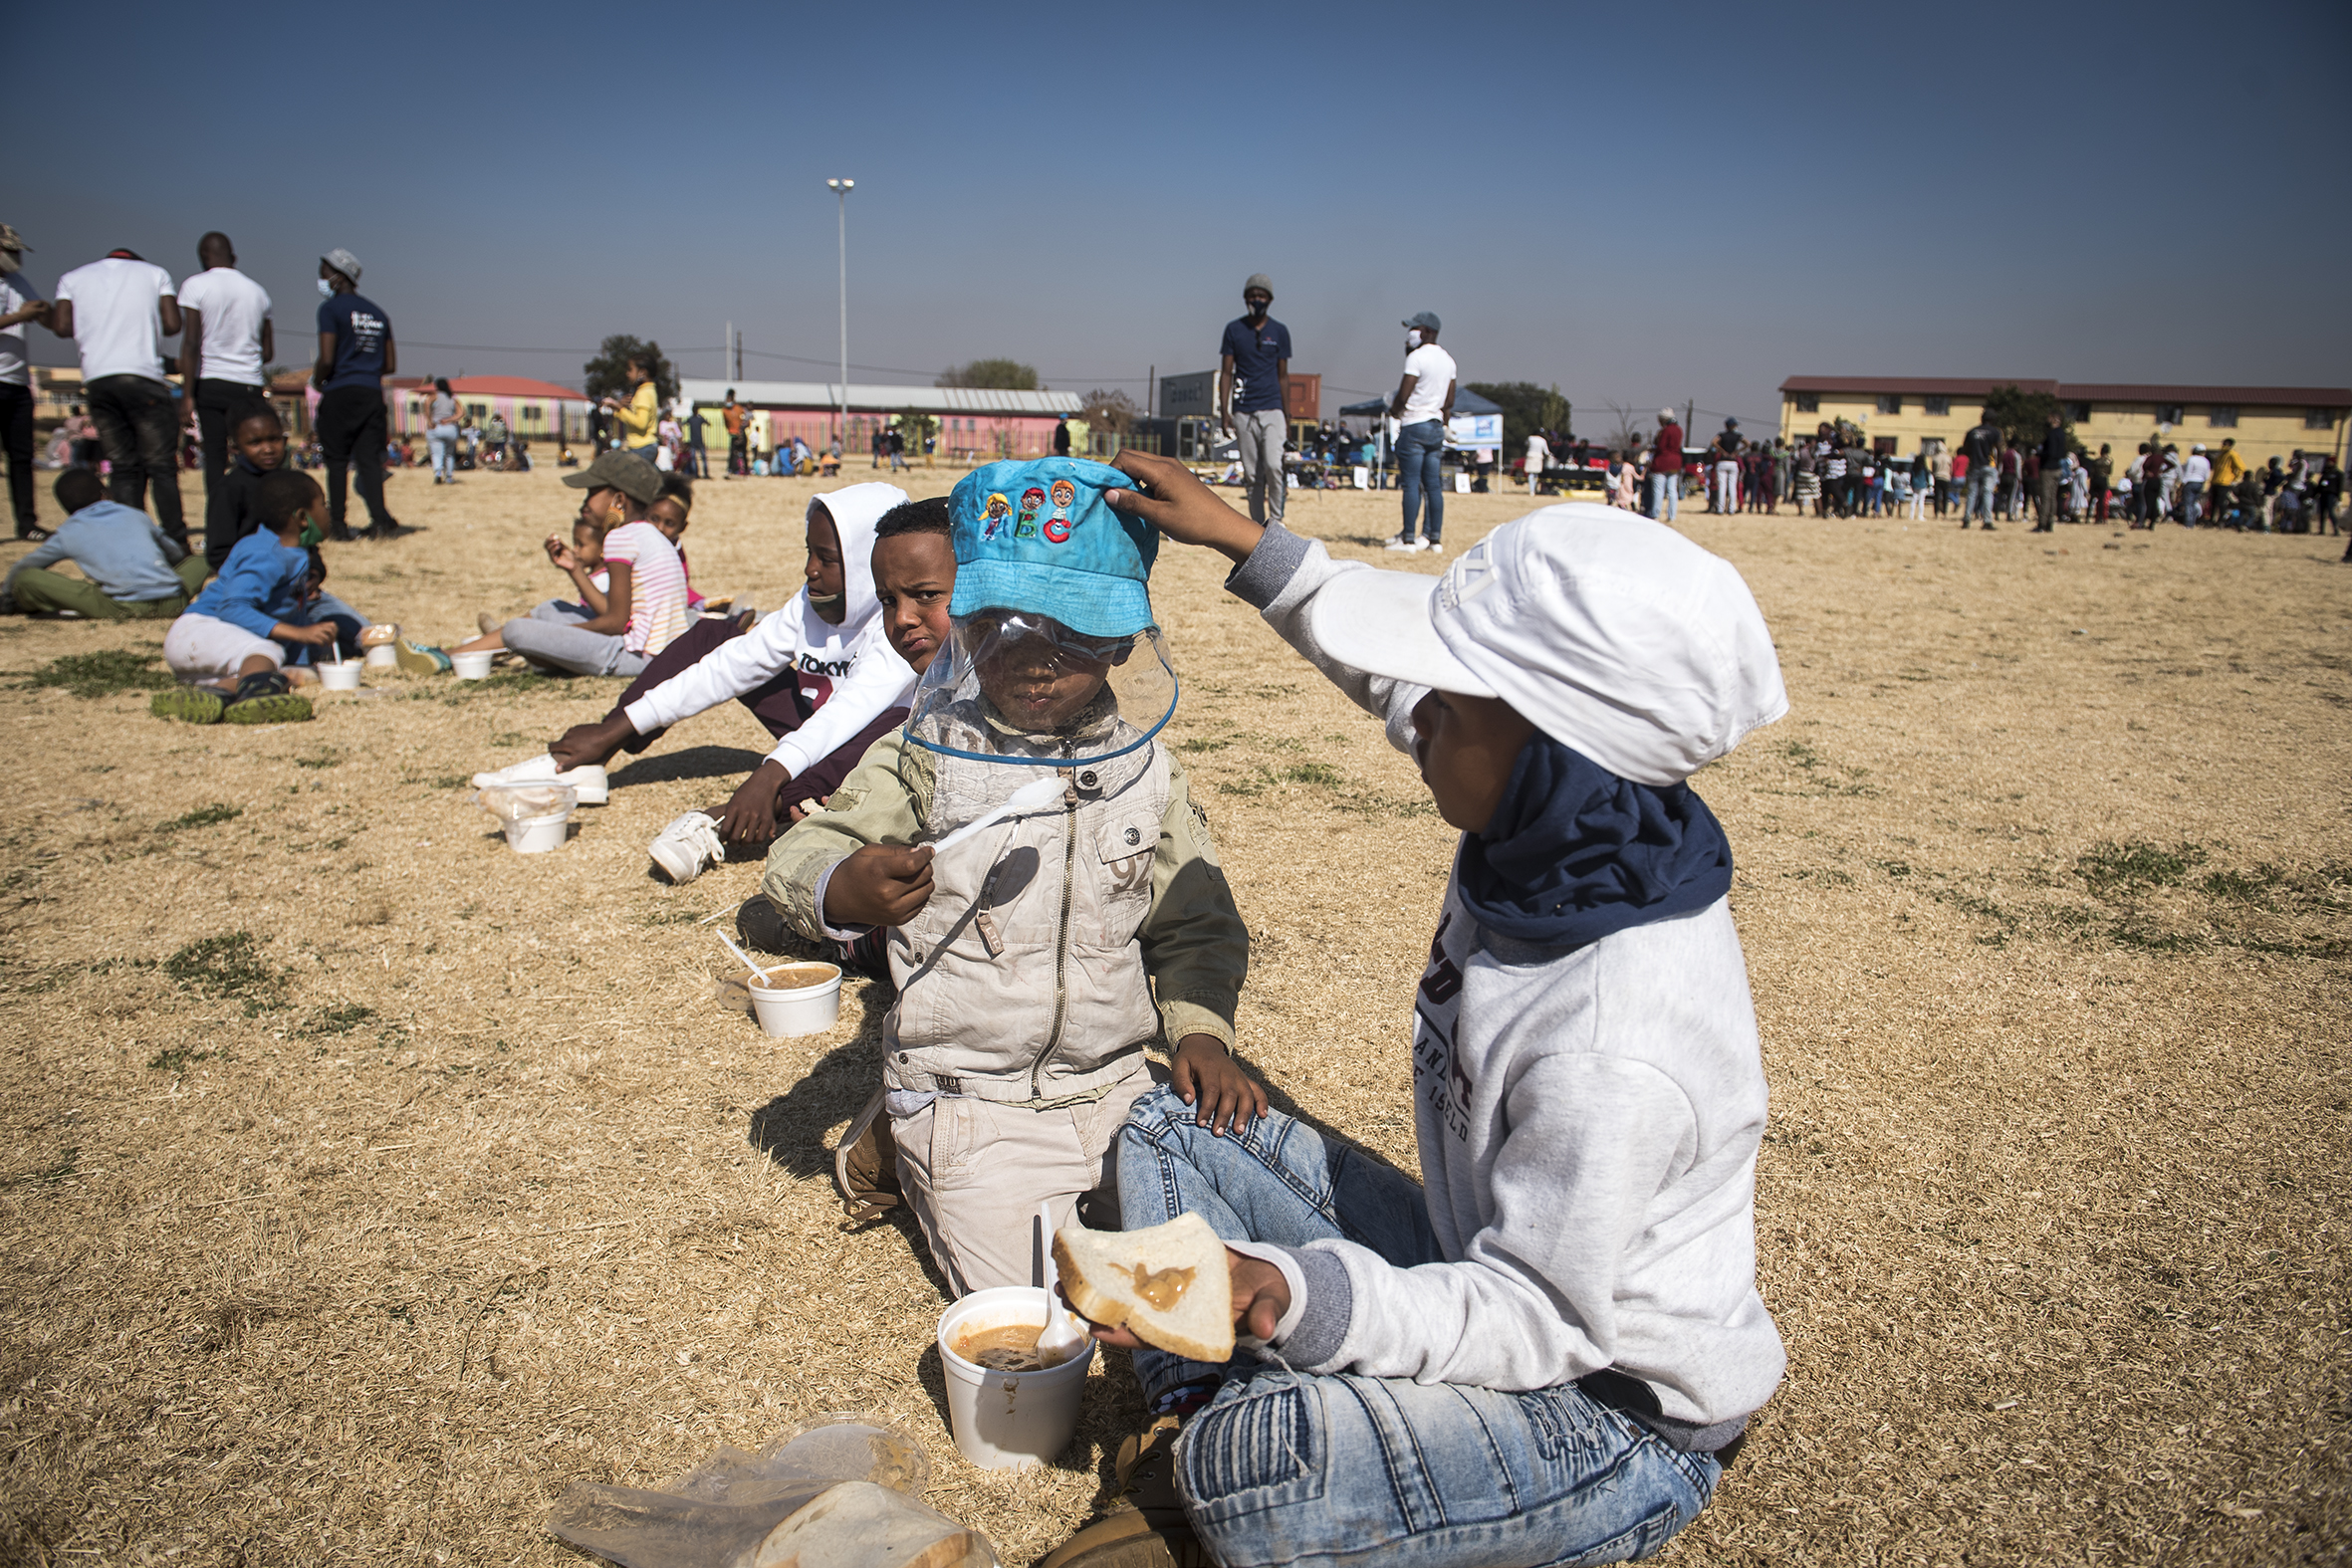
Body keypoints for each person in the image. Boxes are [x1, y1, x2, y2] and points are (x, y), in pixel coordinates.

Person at [1037, 452, 1785, 1568]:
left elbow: (1536, 1318)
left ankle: (1217, 1454)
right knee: (1165, 1121)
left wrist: (1284, 1285)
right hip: (1469, 1258)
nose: (1414, 707)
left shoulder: (1615, 1037)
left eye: (1448, 688)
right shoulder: (1555, 816)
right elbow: (1384, 679)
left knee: (1269, 1457)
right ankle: (1200, 1426)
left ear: (1554, 745)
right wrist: (1247, 544)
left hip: (1600, 1406)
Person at [760, 458, 1257, 1297]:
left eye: (1073, 631)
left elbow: (1195, 919)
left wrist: (1201, 1028)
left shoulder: (1148, 772)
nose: (1034, 659)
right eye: (1003, 628)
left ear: (1123, 638)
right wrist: (838, 885)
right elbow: (801, 855)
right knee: (1044, 1313)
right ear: (972, 625)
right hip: (970, 1097)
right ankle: (899, 1141)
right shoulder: (923, 756)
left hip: (1116, 1086)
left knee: (1207, 1276)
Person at [480, 481, 916, 869]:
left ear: (867, 563)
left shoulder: (900, 617)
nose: (810, 570)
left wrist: (770, 775)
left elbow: (853, 708)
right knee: (710, 634)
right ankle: (593, 752)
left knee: (892, 727)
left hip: (867, 741)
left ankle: (722, 820)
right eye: (809, 552)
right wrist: (620, 725)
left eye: (828, 559)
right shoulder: (810, 600)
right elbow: (733, 664)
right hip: (816, 733)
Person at [456, 450, 684, 677]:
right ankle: (458, 654)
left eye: (591, 494)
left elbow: (615, 623)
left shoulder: (620, 537)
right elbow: (616, 613)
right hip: (661, 651)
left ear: (619, 501)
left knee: (517, 629)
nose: (584, 504)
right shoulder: (647, 534)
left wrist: (558, 633)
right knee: (550, 609)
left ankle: (487, 653)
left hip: (635, 657)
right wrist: (575, 568)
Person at [154, 469, 346, 725]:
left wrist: (304, 659)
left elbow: (294, 614)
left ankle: (210, 696)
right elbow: (232, 607)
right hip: (199, 631)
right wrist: (299, 634)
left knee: (276, 671)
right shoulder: (264, 553)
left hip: (221, 653)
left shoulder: (294, 553)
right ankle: (255, 699)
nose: (327, 511)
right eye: (322, 504)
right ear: (302, 517)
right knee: (267, 651)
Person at [51, 246, 187, 545]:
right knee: (161, 466)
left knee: (123, 467)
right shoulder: (155, 274)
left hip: (98, 380)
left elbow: (61, 326)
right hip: (143, 377)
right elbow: (173, 324)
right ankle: (177, 542)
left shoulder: (72, 279)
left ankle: (132, 540)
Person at [3, 469, 207, 619]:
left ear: (67, 508)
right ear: (105, 494)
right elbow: (174, 554)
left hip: (123, 607)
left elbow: (26, 566)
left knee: (27, 578)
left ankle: (15, 605)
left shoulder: (68, 531)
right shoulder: (136, 515)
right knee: (201, 561)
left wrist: (5, 593)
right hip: (175, 600)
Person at [175, 232, 273, 501]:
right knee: (252, 452)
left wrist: (187, 395)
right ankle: (257, 513)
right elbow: (268, 352)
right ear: (234, 257)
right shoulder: (258, 292)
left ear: (203, 258)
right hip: (249, 383)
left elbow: (192, 342)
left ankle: (220, 521)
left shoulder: (195, 286)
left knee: (216, 456)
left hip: (212, 382)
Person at [312, 248, 400, 540]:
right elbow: (389, 364)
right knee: (368, 462)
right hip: (371, 393)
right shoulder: (378, 313)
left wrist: (318, 380)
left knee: (336, 461)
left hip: (340, 390)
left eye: (324, 272)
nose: (320, 278)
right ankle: (379, 522)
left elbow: (326, 357)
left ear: (338, 277)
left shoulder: (331, 310)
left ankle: (337, 523)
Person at [1220, 274, 1293, 531]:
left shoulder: (1279, 332)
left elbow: (1283, 376)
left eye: (1261, 296)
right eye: (1252, 295)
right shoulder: (1234, 330)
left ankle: (1277, 521)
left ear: (1269, 300)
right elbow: (1226, 373)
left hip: (1273, 408)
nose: (1256, 300)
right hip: (1243, 410)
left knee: (1274, 465)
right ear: (1245, 298)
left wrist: (1288, 412)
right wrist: (1225, 411)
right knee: (1252, 475)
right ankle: (1258, 527)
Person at [1388, 312, 1457, 552]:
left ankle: (1408, 539)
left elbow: (1404, 394)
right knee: (1433, 486)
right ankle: (1433, 538)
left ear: (1427, 331)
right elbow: (1449, 400)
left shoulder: (1416, 358)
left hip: (1414, 424)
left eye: (1414, 328)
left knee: (1411, 484)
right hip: (1436, 426)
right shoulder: (1448, 361)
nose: (1410, 333)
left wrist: (1394, 412)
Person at [204, 398, 293, 572]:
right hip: (251, 579)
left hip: (293, 579)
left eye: (273, 439)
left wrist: (314, 571)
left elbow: (307, 541)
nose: (268, 449)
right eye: (255, 442)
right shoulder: (229, 489)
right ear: (236, 447)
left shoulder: (293, 483)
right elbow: (218, 553)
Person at [0, 224, 48, 539]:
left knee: (21, 457)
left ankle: (27, 523)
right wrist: (19, 316)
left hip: (18, 380)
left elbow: (38, 309)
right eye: (10, 250)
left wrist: (44, 311)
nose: (16, 257)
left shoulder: (18, 281)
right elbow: (23, 313)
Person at [602, 358, 658, 460]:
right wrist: (620, 408)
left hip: (642, 446)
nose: (627, 373)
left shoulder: (643, 394)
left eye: (630, 369)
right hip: (643, 447)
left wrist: (620, 408)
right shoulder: (646, 391)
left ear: (642, 372)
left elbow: (641, 423)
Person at [2033, 409, 2067, 533]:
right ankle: (2050, 522)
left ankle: (2042, 523)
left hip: (2048, 468)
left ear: (2054, 419)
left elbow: (2051, 452)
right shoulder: (2062, 433)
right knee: (2053, 497)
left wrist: (2040, 453)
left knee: (2046, 497)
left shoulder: (2052, 434)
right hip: (2057, 468)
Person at [1649, 406, 1684, 523]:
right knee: (1672, 490)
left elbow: (1662, 446)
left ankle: (1656, 514)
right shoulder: (1679, 430)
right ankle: (1672, 515)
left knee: (1658, 490)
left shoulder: (1665, 430)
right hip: (1675, 462)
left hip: (1662, 462)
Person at [426, 378, 461, 483]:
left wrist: (429, 420)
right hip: (450, 428)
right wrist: (449, 419)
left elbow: (427, 405)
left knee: (437, 453)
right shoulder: (452, 398)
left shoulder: (434, 396)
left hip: (436, 426)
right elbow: (461, 412)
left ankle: (438, 472)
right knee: (449, 454)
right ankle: (449, 477)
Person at [1709, 418, 1743, 514]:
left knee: (1722, 487)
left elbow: (1713, 442)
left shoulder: (1722, 435)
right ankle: (1731, 509)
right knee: (1732, 487)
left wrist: (1722, 451)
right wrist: (1737, 452)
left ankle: (1720, 508)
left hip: (1722, 462)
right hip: (1733, 462)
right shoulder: (1738, 436)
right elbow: (1747, 443)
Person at [2178, 443, 2211, 528]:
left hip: (2190, 482)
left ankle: (2188, 523)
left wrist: (2182, 484)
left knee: (2188, 504)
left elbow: (2187, 473)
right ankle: (2194, 520)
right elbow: (2207, 475)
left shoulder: (2191, 459)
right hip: (2200, 483)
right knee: (2194, 503)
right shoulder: (2206, 461)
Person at [723, 390, 748, 476]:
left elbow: (745, 420)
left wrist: (741, 429)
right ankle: (731, 469)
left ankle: (745, 469)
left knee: (744, 453)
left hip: (741, 433)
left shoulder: (738, 408)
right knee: (732, 453)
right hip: (733, 434)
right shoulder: (725, 411)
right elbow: (726, 423)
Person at [1524, 426, 1550, 495]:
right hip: (1538, 458)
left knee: (1531, 474)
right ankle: (1534, 489)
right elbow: (1546, 452)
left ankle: (1531, 490)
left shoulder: (1530, 438)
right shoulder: (1543, 440)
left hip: (1531, 457)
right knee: (1535, 474)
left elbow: (1526, 444)